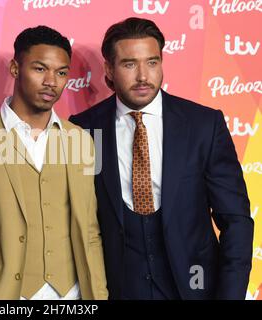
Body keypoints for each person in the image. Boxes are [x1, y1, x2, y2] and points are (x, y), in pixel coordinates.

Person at [69, 17, 254, 300]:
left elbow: (236, 221)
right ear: (109, 69)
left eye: (152, 62)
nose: (143, 76)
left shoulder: (204, 125)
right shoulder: (83, 129)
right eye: (130, 64)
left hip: (195, 287)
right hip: (117, 290)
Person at [0, 26, 108, 300]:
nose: (52, 81)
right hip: (6, 292)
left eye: (61, 73)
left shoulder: (81, 141)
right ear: (15, 68)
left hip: (72, 292)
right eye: (40, 69)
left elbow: (90, 230)